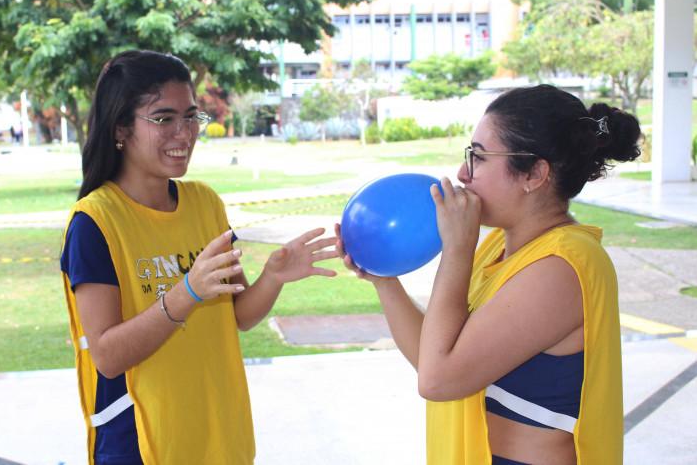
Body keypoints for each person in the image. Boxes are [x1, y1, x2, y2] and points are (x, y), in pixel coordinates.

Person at [336, 84, 641, 465]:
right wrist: (384, 279)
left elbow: (438, 379)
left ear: (534, 173)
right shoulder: (499, 245)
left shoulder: (563, 266)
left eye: (478, 157)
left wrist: (457, 251)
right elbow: (433, 357)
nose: (463, 173)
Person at [60, 50, 338, 465]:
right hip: (141, 444)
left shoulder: (205, 204)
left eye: (191, 116)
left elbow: (237, 315)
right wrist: (186, 291)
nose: (185, 133)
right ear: (121, 128)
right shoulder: (95, 222)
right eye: (163, 118)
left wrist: (274, 276)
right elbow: (108, 356)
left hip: (219, 438)